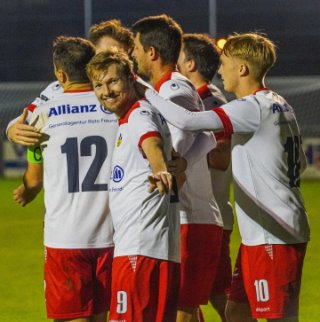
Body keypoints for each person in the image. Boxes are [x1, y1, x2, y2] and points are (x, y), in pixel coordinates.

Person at [144, 32, 310, 322]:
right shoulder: (279, 103)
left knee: (279, 318)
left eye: (225, 63)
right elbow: (303, 165)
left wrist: (142, 90)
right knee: (236, 312)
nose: (220, 70)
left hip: (274, 233)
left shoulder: (252, 107)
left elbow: (187, 121)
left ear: (243, 69)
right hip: (262, 233)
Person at [14, 36, 118, 322]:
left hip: (66, 239)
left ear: (60, 74)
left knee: (71, 316)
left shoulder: (43, 114)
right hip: (112, 235)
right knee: (100, 316)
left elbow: (34, 181)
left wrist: (27, 190)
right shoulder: (116, 107)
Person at [132, 14, 223, 322]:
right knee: (185, 310)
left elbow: (175, 159)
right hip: (187, 220)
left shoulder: (174, 92)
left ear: (152, 52)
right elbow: (204, 142)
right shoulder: (167, 91)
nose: (133, 56)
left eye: (135, 48)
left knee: (180, 312)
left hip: (188, 220)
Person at [86, 50, 180, 322]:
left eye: (113, 82)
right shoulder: (143, 114)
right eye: (98, 85)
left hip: (138, 250)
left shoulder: (138, 115)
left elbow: (151, 143)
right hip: (160, 249)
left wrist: (160, 168)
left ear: (130, 79)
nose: (106, 91)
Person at [177, 33, 234, 322]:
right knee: (191, 296)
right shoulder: (195, 98)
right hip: (199, 216)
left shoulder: (210, 101)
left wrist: (183, 153)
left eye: (178, 55)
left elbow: (222, 157)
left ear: (190, 63)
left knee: (219, 295)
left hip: (210, 218)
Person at [6, 19, 133, 146]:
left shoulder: (130, 89)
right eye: (104, 54)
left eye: (117, 56)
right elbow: (25, 118)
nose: (109, 61)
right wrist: (12, 130)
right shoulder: (55, 89)